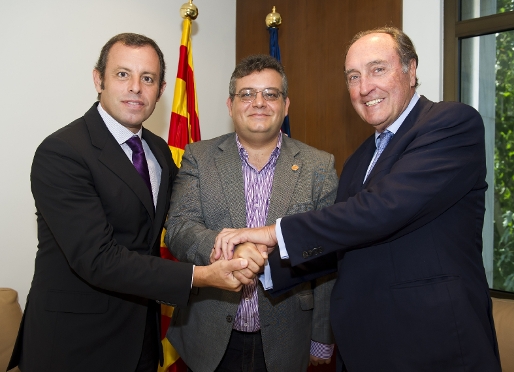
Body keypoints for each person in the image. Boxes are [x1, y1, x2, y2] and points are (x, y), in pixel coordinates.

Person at [214, 27, 502, 371]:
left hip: (433, 345)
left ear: (411, 70)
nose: (365, 88)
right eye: (354, 76)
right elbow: (341, 243)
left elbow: (382, 210)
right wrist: (260, 267)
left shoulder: (451, 124)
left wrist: (272, 233)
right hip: (365, 347)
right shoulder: (359, 159)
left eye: (378, 69)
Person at [8, 33, 253, 372]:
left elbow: (184, 218)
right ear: (99, 79)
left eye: (147, 78)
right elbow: (97, 258)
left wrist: (235, 243)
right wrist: (200, 276)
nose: (136, 87)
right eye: (123, 74)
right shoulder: (62, 152)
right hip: (72, 344)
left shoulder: (159, 151)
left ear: (161, 89)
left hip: (140, 339)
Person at [164, 54, 338, 372]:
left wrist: (321, 336)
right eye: (247, 94)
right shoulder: (199, 157)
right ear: (231, 106)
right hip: (207, 335)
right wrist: (228, 246)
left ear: (286, 105)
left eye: (270, 94)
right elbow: (178, 227)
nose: (259, 102)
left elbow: (328, 258)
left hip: (288, 339)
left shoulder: (319, 166)